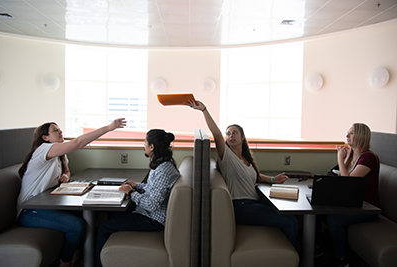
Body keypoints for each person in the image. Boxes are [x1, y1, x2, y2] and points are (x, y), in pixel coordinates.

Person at [185, 100, 299, 245]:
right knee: (291, 221)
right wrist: (204, 110)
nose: (230, 135)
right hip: (241, 206)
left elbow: (254, 177)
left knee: (292, 213)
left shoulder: (245, 159)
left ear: (243, 137)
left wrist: (272, 180)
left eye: (234, 132)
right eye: (228, 133)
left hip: (251, 204)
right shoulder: (226, 156)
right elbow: (217, 135)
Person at [17, 118, 126, 267]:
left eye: (59, 129)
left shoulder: (60, 154)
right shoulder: (44, 149)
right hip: (30, 210)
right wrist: (108, 127)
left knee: (91, 215)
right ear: (45, 138)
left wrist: (66, 176)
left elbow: (66, 169)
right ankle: (65, 261)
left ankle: (78, 254)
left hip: (48, 205)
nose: (60, 131)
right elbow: (78, 143)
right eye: (55, 130)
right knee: (77, 226)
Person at [95, 129, 180, 267]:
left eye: (145, 143)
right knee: (110, 214)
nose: (144, 146)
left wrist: (131, 193)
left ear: (152, 147)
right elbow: (154, 188)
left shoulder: (163, 170)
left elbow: (152, 204)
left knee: (103, 227)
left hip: (153, 219)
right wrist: (137, 186)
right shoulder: (162, 163)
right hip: (149, 214)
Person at [318, 123, 380, 267]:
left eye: (351, 133)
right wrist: (344, 160)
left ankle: (341, 259)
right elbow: (333, 174)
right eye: (347, 133)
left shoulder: (368, 158)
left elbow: (349, 184)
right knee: (317, 212)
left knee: (334, 221)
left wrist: (340, 159)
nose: (347, 136)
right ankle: (318, 250)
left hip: (368, 207)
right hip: (351, 202)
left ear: (361, 136)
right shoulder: (352, 155)